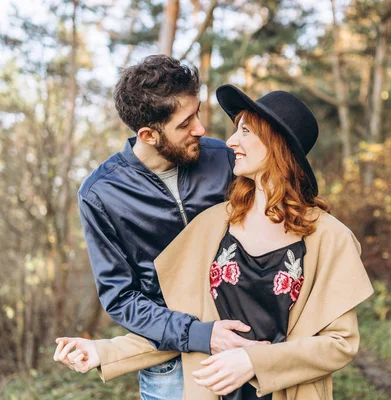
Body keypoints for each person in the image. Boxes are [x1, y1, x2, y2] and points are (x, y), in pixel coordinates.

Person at [55, 85, 373, 400]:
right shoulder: (211, 225)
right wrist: (103, 351)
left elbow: (340, 344)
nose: (230, 141)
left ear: (277, 144)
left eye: (245, 131)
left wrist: (253, 361)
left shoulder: (330, 237)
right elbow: (188, 321)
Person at [72, 56, 270, 400]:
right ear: (148, 134)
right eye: (185, 123)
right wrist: (199, 333)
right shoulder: (101, 194)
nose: (201, 129)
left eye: (197, 112)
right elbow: (121, 298)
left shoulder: (223, 158)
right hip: (171, 362)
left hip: (247, 343)